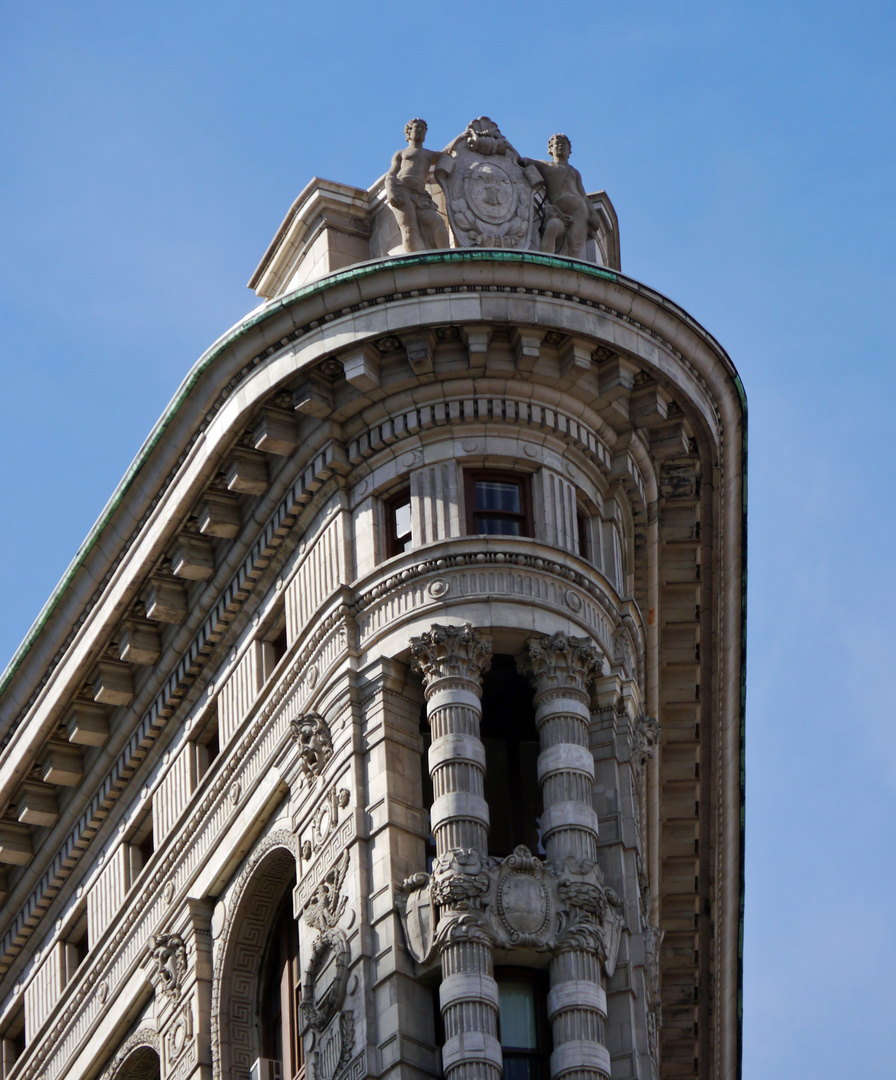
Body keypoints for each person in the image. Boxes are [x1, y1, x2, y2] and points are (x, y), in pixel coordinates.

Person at [519, 133, 599, 259]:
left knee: (575, 248)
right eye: (557, 143)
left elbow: (583, 196)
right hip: (558, 212)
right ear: (550, 149)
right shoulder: (545, 166)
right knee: (552, 228)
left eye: (564, 144)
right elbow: (522, 160)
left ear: (569, 150)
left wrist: (593, 214)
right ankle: (545, 267)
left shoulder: (574, 172)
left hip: (579, 213)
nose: (561, 146)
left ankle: (572, 275)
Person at [385, 118, 450, 252]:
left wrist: (463, 137)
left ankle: (447, 256)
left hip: (420, 195)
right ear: (409, 133)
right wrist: (390, 191)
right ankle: (414, 261)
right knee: (409, 228)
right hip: (402, 191)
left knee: (437, 222)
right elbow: (391, 174)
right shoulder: (401, 153)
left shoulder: (429, 154)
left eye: (423, 129)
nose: (420, 131)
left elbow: (447, 152)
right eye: (417, 128)